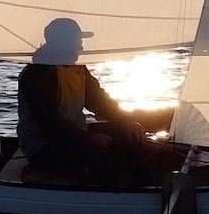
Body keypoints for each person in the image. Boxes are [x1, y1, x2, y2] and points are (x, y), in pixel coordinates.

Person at [17, 18, 146, 183]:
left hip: (74, 135)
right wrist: (88, 139)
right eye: (77, 42)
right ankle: (111, 193)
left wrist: (125, 120)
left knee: (125, 132)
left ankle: (136, 180)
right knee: (96, 154)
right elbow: (50, 123)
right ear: (61, 43)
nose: (81, 47)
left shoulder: (78, 69)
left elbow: (99, 101)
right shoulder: (37, 75)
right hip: (43, 146)